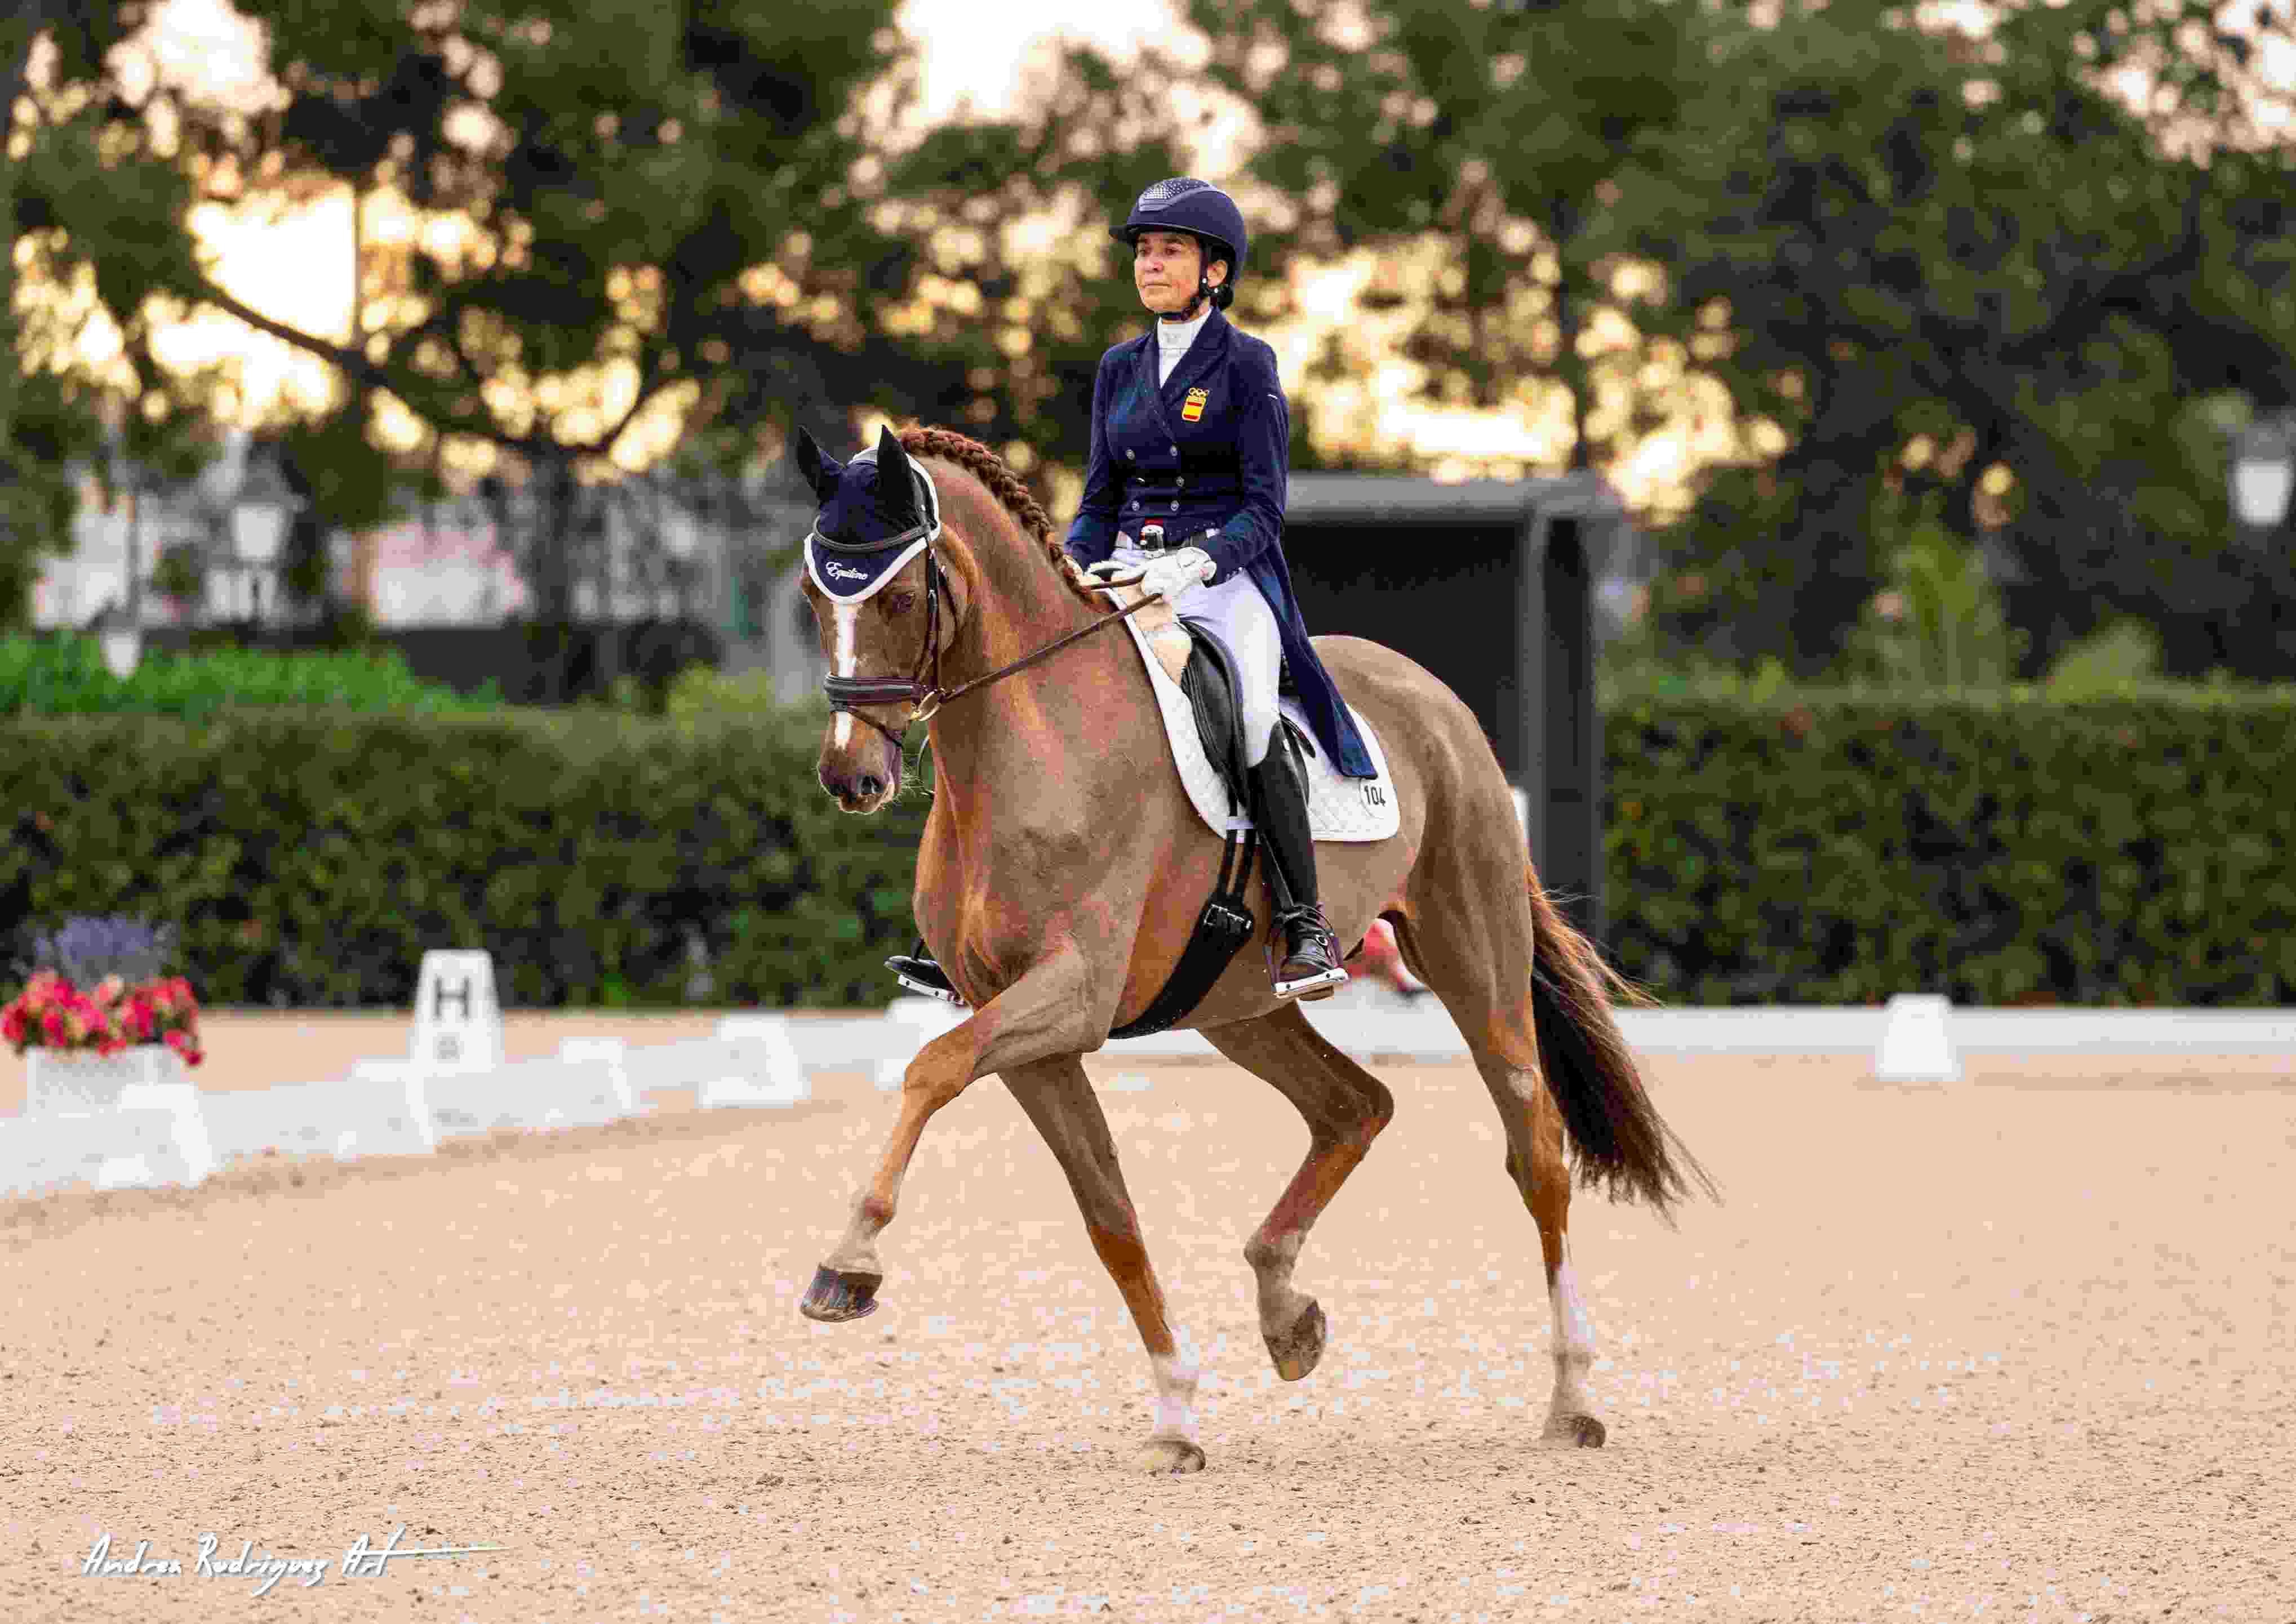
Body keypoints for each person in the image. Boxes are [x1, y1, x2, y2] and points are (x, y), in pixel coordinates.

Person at [889, 176, 1378, 1007]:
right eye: (1144, 250)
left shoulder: (1248, 364)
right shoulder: (1120, 368)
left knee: (1252, 714)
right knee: (1029, 699)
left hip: (1222, 584)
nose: (1150, 264)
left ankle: (1303, 923)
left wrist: (1197, 564)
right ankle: (964, 926)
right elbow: (1102, 497)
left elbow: (1266, 507)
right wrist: (1069, 565)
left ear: (1215, 271)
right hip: (1122, 572)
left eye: (1170, 250)